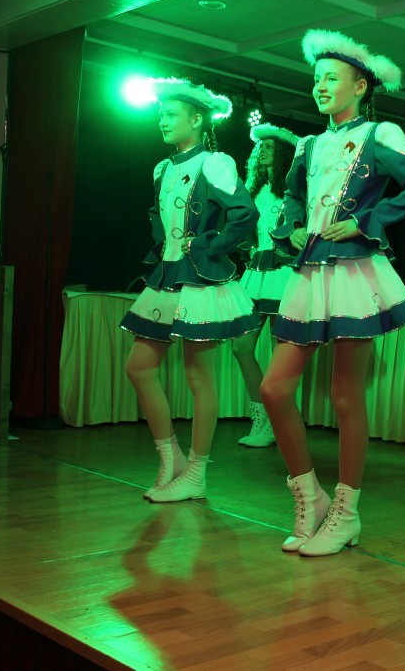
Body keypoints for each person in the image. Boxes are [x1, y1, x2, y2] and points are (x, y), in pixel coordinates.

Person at [259, 30, 405, 556]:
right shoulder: (308, 145)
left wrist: (368, 219)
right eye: (316, 79)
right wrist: (292, 226)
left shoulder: (380, 133)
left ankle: (346, 512)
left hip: (354, 271)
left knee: (346, 395)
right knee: (274, 389)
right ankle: (309, 496)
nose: (320, 86)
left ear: (360, 86)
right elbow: (293, 198)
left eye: (332, 79)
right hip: (309, 272)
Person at [121, 78, 260, 502]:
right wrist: (166, 246)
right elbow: (158, 215)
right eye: (160, 115)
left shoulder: (214, 162)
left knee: (199, 376)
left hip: (198, 279)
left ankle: (197, 473)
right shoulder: (163, 168)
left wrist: (208, 246)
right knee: (139, 367)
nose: (162, 121)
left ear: (196, 119)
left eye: (170, 115)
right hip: (167, 275)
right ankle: (171, 458)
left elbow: (245, 214)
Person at [232, 123, 299, 447]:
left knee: (278, 354)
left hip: (284, 274)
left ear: (283, 152)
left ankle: (276, 424)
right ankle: (261, 417)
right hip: (256, 273)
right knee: (241, 347)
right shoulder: (252, 189)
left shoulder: (294, 190)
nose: (261, 152)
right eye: (259, 148)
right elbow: (243, 230)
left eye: (269, 147)